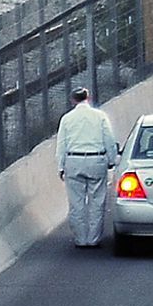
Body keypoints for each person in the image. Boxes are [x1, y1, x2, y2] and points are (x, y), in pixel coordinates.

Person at [55, 87, 119, 248]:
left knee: (76, 203)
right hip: (96, 159)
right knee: (97, 201)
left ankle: (80, 239)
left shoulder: (67, 119)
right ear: (88, 98)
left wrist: (61, 166)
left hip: (74, 160)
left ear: (72, 100)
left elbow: (61, 144)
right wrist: (112, 160)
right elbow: (109, 140)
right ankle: (93, 239)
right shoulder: (100, 117)